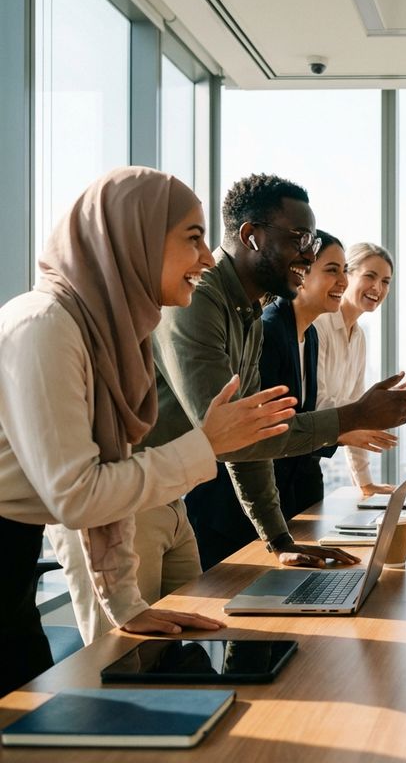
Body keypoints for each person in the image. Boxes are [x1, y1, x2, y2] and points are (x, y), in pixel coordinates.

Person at [0, 167, 295, 692]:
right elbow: (79, 495)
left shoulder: (116, 332)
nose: (207, 259)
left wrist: (127, 605)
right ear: (131, 238)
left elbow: (109, 474)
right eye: (193, 239)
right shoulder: (45, 325)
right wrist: (205, 445)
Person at [157, 173, 406, 570]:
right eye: (298, 239)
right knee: (142, 634)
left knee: (188, 629)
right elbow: (231, 437)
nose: (307, 255)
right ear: (252, 235)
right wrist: (354, 416)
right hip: (134, 503)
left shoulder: (249, 312)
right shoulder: (201, 299)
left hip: (172, 503)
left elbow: (253, 431)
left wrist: (278, 539)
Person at [258, 229, 350, 518]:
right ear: (301, 275)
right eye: (332, 270)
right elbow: (270, 438)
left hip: (292, 501)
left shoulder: (309, 335)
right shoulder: (269, 330)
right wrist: (348, 424)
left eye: (345, 271)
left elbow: (302, 443)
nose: (344, 281)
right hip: (242, 515)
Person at [314, 242, 402, 497]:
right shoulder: (319, 325)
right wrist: (356, 422)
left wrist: (365, 482)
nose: (378, 288)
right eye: (370, 276)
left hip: (314, 456)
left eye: (386, 281)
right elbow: (317, 402)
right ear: (346, 275)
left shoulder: (359, 337)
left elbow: (356, 408)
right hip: (294, 454)